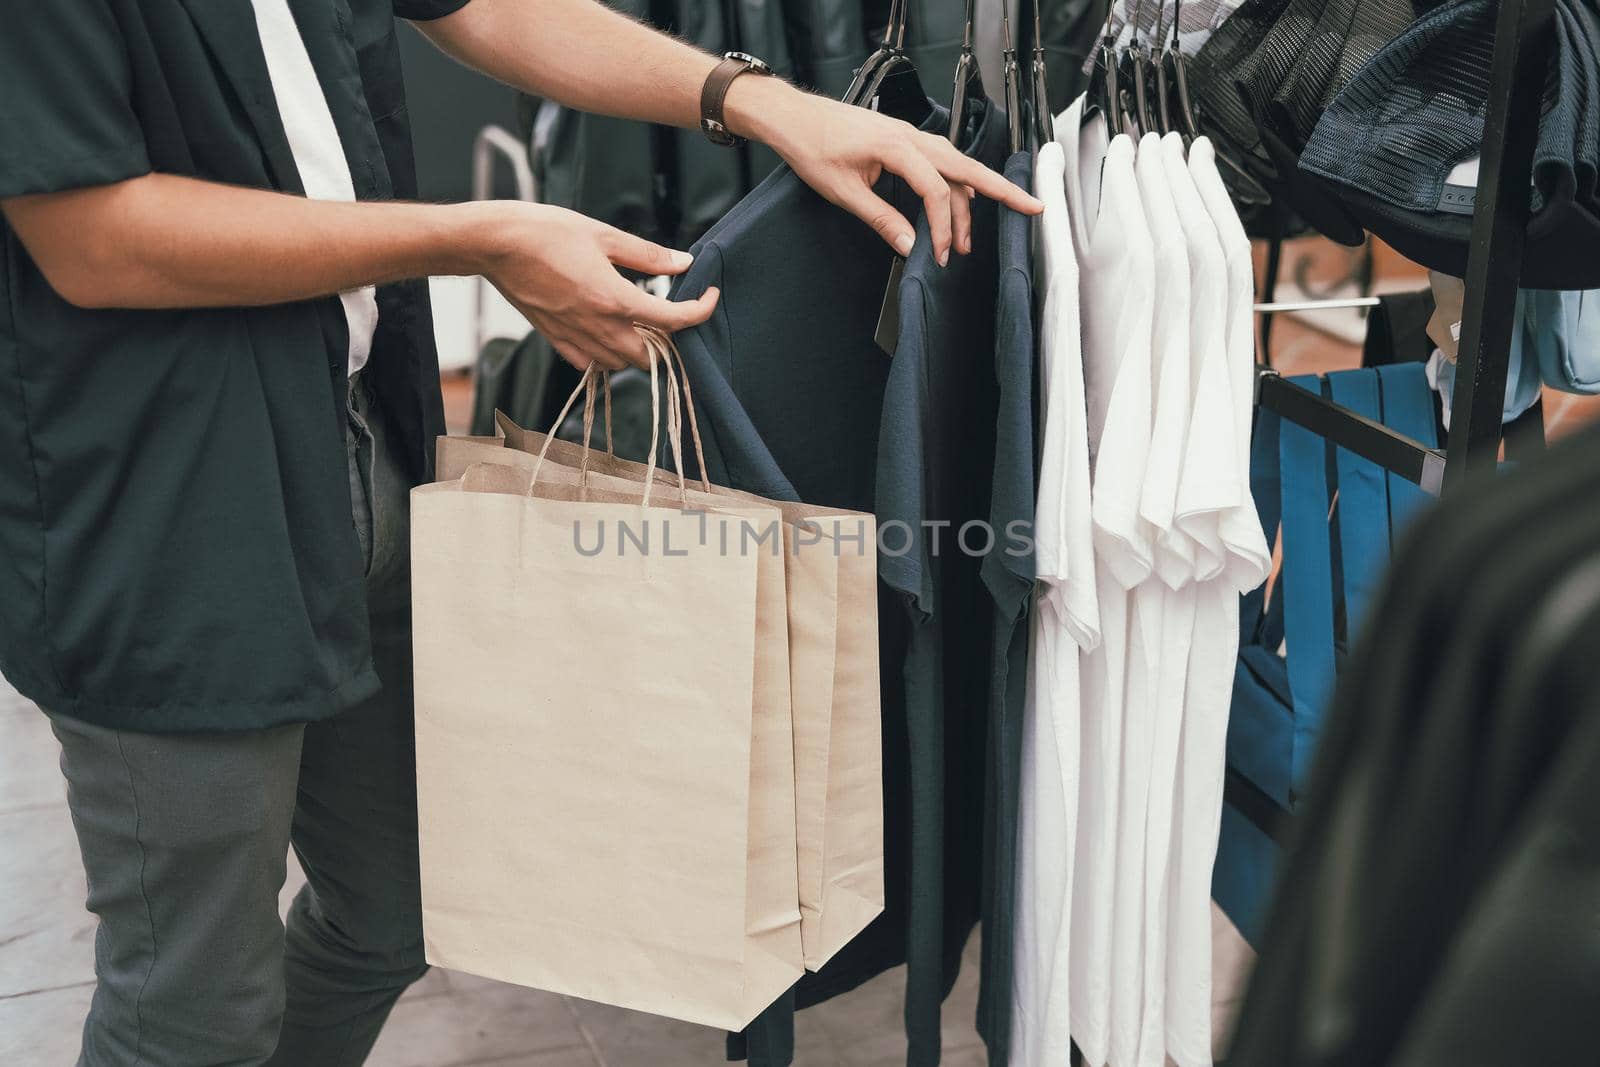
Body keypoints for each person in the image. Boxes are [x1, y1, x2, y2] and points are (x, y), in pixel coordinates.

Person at [0, 2, 1040, 1065]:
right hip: (168, 494)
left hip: (364, 436)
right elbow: (92, 237)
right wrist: (477, 237)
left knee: (396, 906)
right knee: (192, 1000)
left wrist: (760, 102)